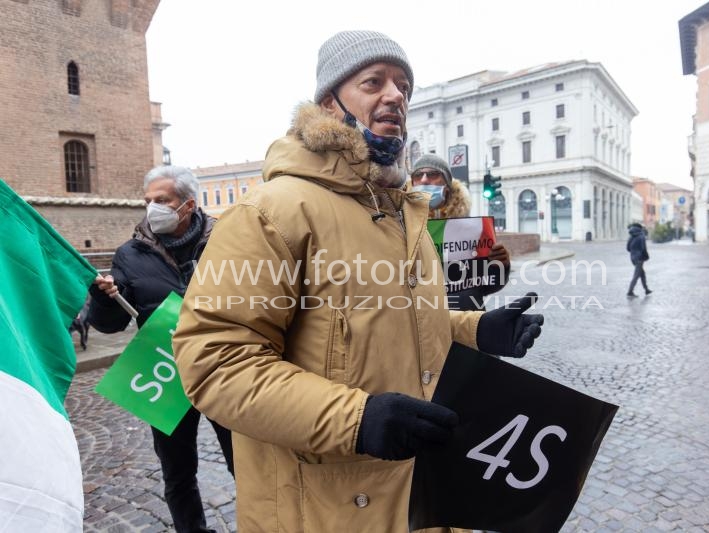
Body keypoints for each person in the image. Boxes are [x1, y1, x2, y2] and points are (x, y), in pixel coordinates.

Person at [172, 30, 545, 532]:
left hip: (423, 495)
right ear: (330, 104)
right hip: (328, 511)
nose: (396, 96)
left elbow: (403, 322)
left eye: (405, 86)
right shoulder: (271, 211)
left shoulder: (405, 213)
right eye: (374, 82)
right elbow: (215, 361)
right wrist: (357, 418)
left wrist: (478, 330)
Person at [87, 165, 234, 533]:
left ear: (187, 204)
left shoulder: (229, 239)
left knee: (245, 460)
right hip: (165, 371)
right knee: (178, 472)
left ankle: (262, 521)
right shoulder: (129, 254)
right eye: (148, 201)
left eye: (162, 200)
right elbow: (109, 325)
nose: (153, 208)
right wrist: (101, 297)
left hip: (225, 367)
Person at [410, 153, 511, 311]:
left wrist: (500, 264)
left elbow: (486, 285)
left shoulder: (472, 229)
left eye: (433, 174)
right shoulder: (401, 226)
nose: (424, 180)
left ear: (447, 186)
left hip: (467, 322)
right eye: (418, 175)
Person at [626, 222, 652, 297]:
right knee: (636, 275)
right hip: (639, 258)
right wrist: (645, 256)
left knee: (642, 274)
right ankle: (630, 291)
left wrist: (633, 252)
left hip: (633, 258)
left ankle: (646, 289)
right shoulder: (641, 235)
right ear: (640, 228)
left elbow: (628, 248)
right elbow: (643, 248)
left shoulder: (631, 236)